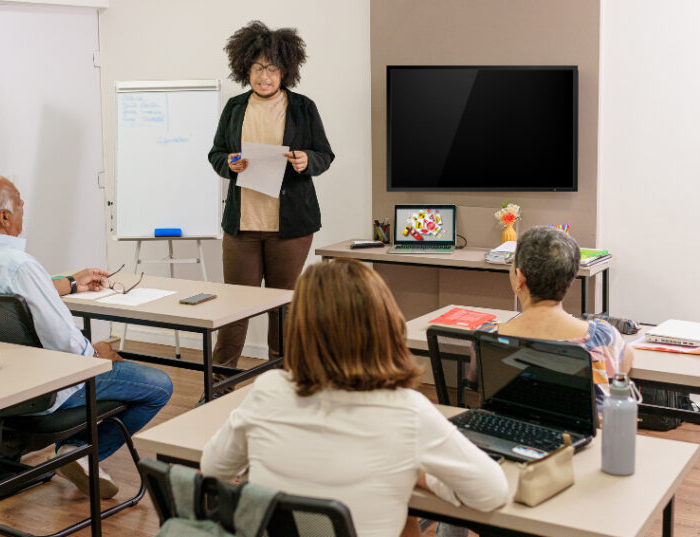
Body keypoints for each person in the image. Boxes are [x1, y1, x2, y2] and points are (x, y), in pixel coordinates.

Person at [199, 259, 508, 537]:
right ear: (386, 324)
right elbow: (492, 493)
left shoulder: (268, 390)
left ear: (301, 328)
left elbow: (213, 468)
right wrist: (419, 476)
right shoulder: (406, 411)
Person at [0, 174, 173, 499]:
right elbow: (67, 344)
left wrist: (73, 283)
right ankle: (77, 451)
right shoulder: (21, 266)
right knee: (159, 386)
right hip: (48, 390)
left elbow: (12, 300)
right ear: (4, 217)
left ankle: (75, 453)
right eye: (19, 202)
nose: (24, 207)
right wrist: (97, 355)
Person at [207, 21, 334, 387]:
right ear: (245, 68)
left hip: (290, 227)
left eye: (272, 68)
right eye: (258, 68)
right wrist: (228, 163)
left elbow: (324, 154)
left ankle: (286, 381)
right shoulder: (234, 108)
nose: (265, 76)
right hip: (242, 225)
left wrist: (305, 160)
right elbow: (216, 153)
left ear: (285, 71)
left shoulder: (302, 108)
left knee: (284, 307)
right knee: (236, 306)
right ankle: (221, 381)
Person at [492, 225, 633, 400]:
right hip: (580, 428)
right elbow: (625, 364)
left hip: (510, 427)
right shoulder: (604, 337)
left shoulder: (490, 337)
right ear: (570, 277)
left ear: (520, 278)